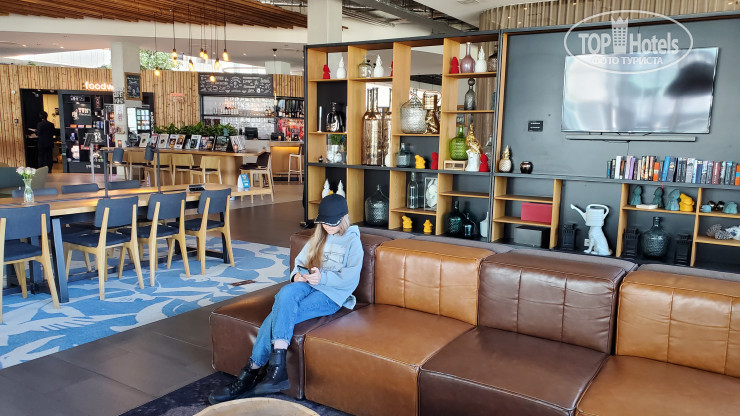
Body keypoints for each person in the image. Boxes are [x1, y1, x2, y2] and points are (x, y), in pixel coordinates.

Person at [208, 194, 364, 405]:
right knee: (285, 293)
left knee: (277, 316)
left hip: (331, 295)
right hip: (308, 284)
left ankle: (251, 371)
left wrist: (323, 278)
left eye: (331, 223)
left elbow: (351, 279)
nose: (327, 226)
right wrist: (296, 275)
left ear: (343, 218)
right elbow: (300, 262)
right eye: (324, 222)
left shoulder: (353, 241)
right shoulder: (319, 236)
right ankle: (277, 369)